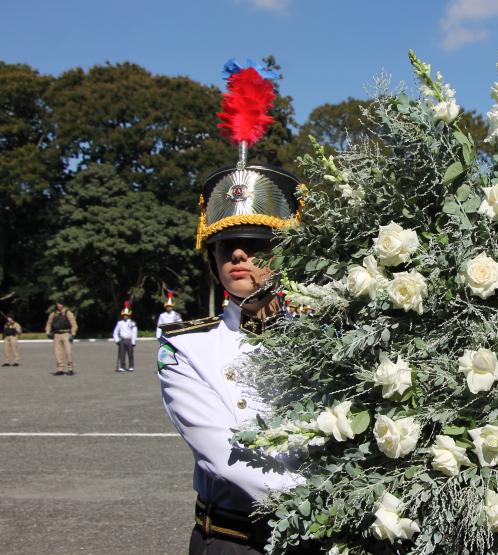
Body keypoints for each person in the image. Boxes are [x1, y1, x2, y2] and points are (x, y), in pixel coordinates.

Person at [157, 59, 309, 555]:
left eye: (256, 244)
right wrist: (341, 505)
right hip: (233, 542)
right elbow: (226, 459)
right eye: (227, 247)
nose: (239, 254)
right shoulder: (186, 348)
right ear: (214, 260)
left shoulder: (326, 333)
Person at [44, 302, 78, 375]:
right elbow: (48, 323)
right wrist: (47, 332)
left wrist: (73, 334)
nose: (59, 305)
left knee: (68, 352)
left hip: (66, 334)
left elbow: (74, 324)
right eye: (58, 304)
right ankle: (60, 369)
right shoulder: (53, 314)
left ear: (63, 305)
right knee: (58, 353)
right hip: (56, 335)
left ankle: (70, 368)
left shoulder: (68, 313)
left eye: (60, 304)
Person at [113, 301, 138, 372]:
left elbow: (134, 332)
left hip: (129, 340)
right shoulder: (119, 323)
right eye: (124, 315)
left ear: (128, 315)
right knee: (122, 354)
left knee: (130, 354)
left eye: (126, 315)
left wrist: (133, 341)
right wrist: (117, 340)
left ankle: (131, 366)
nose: (125, 316)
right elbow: (115, 332)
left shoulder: (132, 323)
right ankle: (122, 366)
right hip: (122, 340)